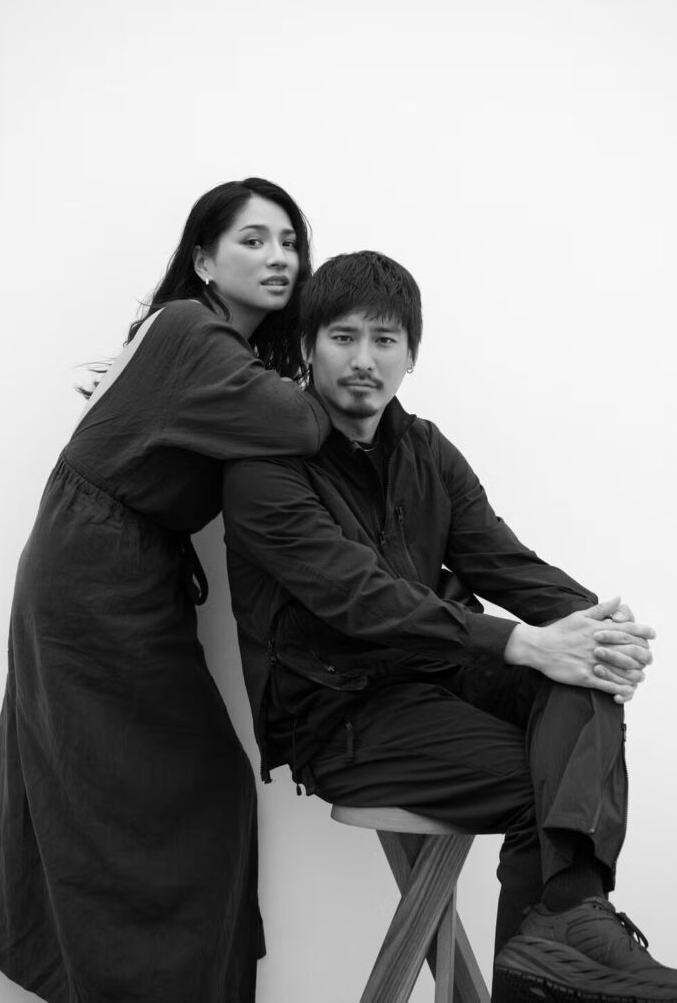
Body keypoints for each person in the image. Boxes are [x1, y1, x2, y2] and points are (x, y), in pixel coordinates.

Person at [221, 250, 677, 1003]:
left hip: (440, 678)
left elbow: (503, 561)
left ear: (411, 354)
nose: (364, 360)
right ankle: (556, 951)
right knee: (550, 784)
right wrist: (524, 641)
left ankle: (565, 927)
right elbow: (358, 597)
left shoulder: (425, 448)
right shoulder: (263, 464)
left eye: (385, 340)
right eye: (343, 337)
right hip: (343, 715)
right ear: (307, 346)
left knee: (584, 677)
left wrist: (596, 627)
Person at [0, 178, 330, 1003]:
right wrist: (343, 379)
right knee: (120, 790)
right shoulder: (189, 327)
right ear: (204, 261)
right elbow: (302, 424)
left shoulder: (218, 351)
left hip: (119, 565)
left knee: (180, 789)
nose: (279, 258)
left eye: (290, 242)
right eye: (254, 240)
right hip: (93, 573)